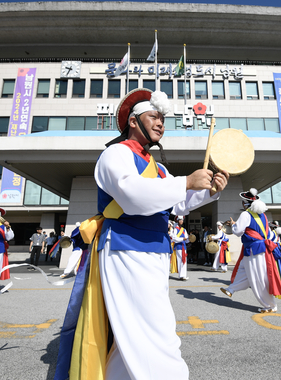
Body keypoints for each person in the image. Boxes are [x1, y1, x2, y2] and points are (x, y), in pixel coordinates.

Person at [54, 88, 229, 380]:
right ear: (133, 121)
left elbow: (178, 205)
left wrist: (210, 192)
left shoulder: (157, 167)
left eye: (162, 118)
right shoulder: (115, 153)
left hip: (155, 250)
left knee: (137, 331)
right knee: (154, 330)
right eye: (154, 117)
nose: (161, 123)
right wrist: (186, 181)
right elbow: (131, 195)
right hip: (126, 246)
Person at [220, 188, 281, 313]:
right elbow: (266, 233)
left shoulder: (246, 214)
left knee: (257, 278)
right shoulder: (263, 216)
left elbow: (237, 232)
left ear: (245, 203)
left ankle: (270, 305)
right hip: (258, 249)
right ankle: (231, 289)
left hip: (254, 250)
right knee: (244, 271)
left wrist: (233, 224)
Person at [171, 215, 190, 280]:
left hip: (183, 246)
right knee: (180, 260)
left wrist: (189, 238)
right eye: (180, 220)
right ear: (178, 221)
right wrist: (183, 239)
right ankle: (181, 275)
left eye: (182, 220)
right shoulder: (175, 230)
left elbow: (187, 240)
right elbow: (174, 239)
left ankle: (183, 275)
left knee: (184, 260)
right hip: (178, 246)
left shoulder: (184, 230)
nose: (181, 221)